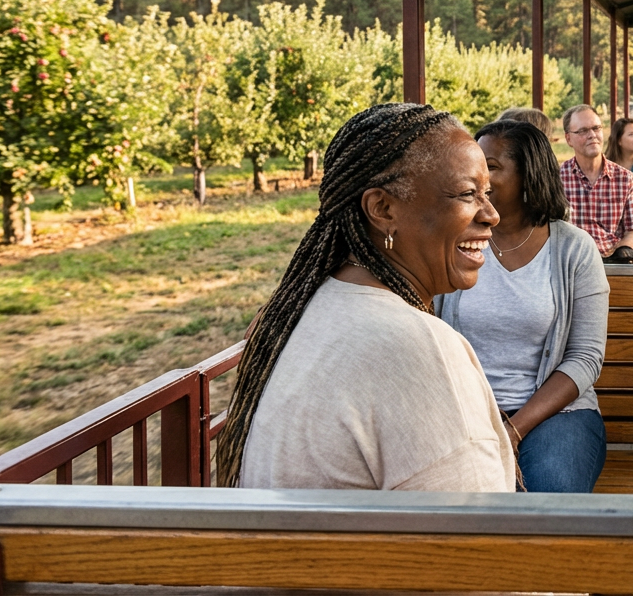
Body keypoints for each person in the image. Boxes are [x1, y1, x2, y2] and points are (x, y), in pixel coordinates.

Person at [219, 103, 515, 493]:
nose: (491, 214)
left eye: (488, 193)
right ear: (382, 208)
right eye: (467, 193)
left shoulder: (305, 307)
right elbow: (479, 538)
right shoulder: (418, 349)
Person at [435, 120, 609, 493]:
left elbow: (585, 358)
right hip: (466, 410)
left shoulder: (574, 250)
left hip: (558, 415)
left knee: (549, 492)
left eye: (491, 166)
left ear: (529, 172)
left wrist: (513, 429)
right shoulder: (455, 244)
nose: (478, 176)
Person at [560, 104, 633, 263]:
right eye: (583, 131)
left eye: (596, 128)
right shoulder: (556, 179)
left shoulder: (626, 179)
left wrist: (623, 252)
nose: (592, 135)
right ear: (568, 139)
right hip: (572, 263)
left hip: (614, 260)